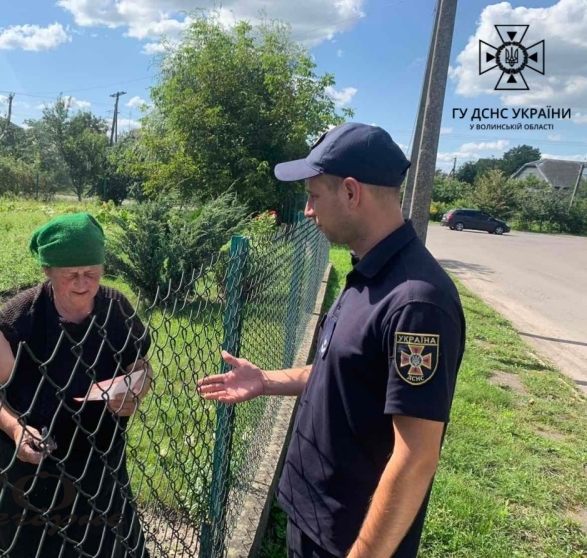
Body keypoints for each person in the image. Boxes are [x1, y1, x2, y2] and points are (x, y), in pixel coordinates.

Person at [197, 122, 466, 558]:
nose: (307, 211)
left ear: (351, 192)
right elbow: (342, 371)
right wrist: (266, 380)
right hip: (312, 516)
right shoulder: (365, 273)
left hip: (350, 539)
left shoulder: (418, 302)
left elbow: (416, 457)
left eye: (313, 195)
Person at [0, 212, 154, 558]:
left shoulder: (115, 308)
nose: (83, 283)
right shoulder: (21, 319)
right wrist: (17, 430)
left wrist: (135, 391)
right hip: (25, 465)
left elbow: (140, 366)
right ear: (47, 271)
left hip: (96, 461)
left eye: (91, 273)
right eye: (71, 275)